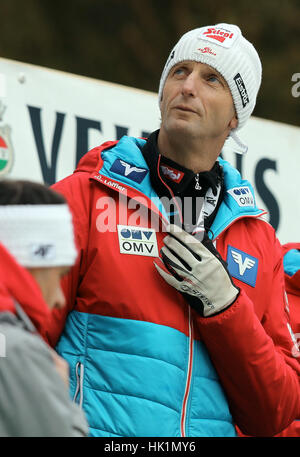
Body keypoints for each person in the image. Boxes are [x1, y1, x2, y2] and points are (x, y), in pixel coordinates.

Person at [45, 23, 300, 437]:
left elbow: (276, 413)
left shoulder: (259, 243)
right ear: (162, 92)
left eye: (211, 78)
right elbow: (17, 341)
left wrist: (226, 308)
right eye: (179, 72)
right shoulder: (86, 197)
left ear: (236, 116)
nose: (188, 86)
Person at [0, 180, 88, 437]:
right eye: (60, 275)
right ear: (34, 263)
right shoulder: (16, 349)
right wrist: (62, 400)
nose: (60, 299)